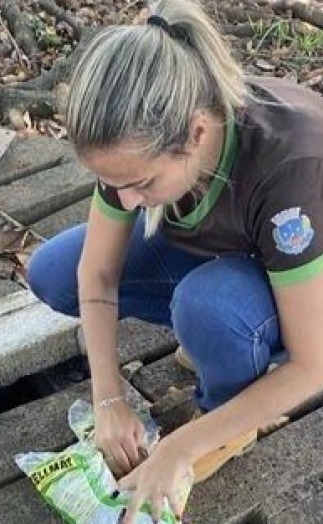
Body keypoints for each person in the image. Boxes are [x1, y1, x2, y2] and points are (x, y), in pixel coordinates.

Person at [27, 0, 323, 521]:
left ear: (197, 134)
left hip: (306, 289)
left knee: (209, 309)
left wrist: (179, 448)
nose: (128, 201)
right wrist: (109, 401)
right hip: (233, 253)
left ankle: (229, 408)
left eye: (140, 184)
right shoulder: (137, 142)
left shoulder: (291, 164)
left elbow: (313, 366)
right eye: (115, 183)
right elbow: (94, 278)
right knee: (52, 272)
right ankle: (227, 340)